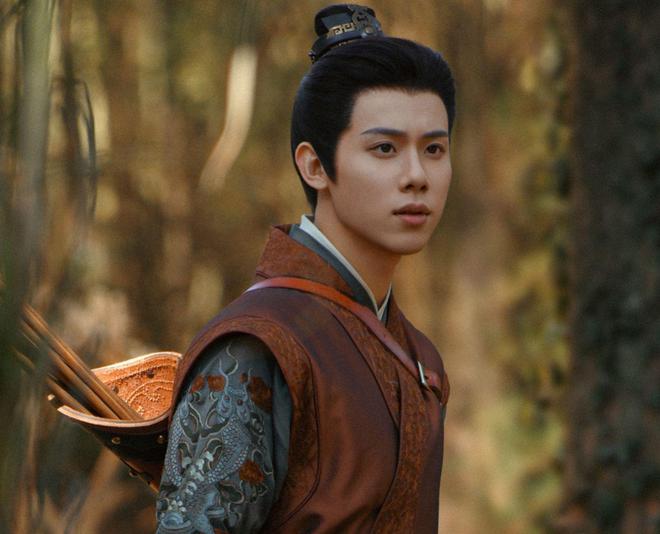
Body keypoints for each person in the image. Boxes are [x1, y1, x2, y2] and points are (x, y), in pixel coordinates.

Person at [156, 4, 454, 533]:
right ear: (315, 165)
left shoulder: (420, 358)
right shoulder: (258, 345)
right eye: (385, 148)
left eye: (433, 149)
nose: (417, 176)